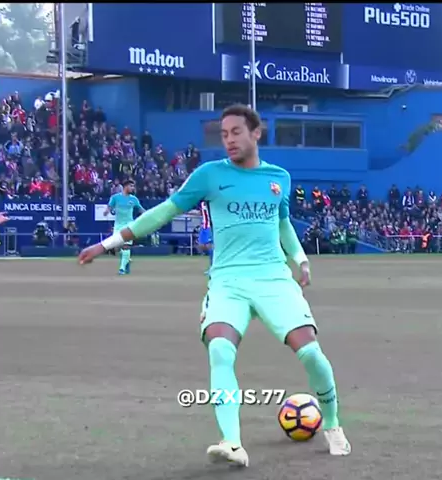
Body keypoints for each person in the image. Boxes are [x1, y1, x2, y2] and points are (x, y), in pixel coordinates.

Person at [79, 104, 351, 467]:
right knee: (220, 350)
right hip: (227, 281)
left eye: (236, 132)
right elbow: (163, 212)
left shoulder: (279, 178)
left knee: (311, 354)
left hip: (273, 279)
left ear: (256, 133)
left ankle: (332, 424)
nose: (229, 140)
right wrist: (108, 243)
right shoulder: (209, 175)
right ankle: (232, 442)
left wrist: (300, 259)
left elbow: (282, 223)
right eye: (223, 135)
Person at [104, 179, 145, 275]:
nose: (133, 188)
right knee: (116, 247)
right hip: (118, 225)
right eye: (131, 186)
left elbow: (141, 209)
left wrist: (149, 215)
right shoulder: (115, 197)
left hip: (129, 225)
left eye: (133, 186)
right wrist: (106, 211)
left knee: (126, 246)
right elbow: (109, 207)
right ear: (125, 187)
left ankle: (122, 268)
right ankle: (127, 260)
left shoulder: (134, 199)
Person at [198, 200, 213, 274]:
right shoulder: (201, 202)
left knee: (209, 246)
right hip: (204, 226)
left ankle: (213, 267)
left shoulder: (211, 202)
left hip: (210, 226)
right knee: (201, 245)